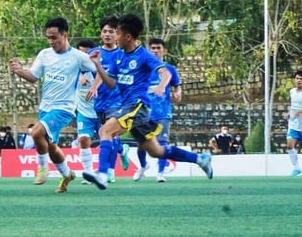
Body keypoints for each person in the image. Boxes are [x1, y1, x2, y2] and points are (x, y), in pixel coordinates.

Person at [82, 13, 212, 190]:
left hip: (138, 106)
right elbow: (111, 83)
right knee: (156, 151)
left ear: (128, 37)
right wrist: (97, 65)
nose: (115, 37)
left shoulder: (143, 55)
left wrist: (161, 86)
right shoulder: (118, 56)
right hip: (128, 106)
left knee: (105, 130)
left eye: (117, 34)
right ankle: (200, 159)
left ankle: (103, 174)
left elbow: (165, 73)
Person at [10, 16, 96, 193]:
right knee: (50, 146)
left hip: (64, 108)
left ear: (65, 35)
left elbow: (100, 71)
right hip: (46, 108)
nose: (51, 41)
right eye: (48, 37)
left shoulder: (79, 57)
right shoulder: (44, 54)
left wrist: (96, 84)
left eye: (54, 37)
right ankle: (67, 174)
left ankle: (42, 168)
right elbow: (33, 76)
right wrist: (19, 71)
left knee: (35, 132)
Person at [86, 17, 130, 183]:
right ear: (100, 34)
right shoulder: (95, 53)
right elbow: (84, 67)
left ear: (116, 34)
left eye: (111, 31)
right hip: (99, 102)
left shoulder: (121, 54)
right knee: (107, 136)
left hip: (117, 101)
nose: (107, 34)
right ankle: (122, 150)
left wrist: (95, 86)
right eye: (105, 31)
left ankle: (108, 171)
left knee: (108, 132)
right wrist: (84, 77)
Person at [133, 38, 182, 183]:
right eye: (152, 48)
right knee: (141, 144)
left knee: (162, 143)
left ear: (164, 50)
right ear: (149, 50)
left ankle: (160, 173)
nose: (155, 50)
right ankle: (142, 166)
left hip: (162, 112)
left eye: (158, 48)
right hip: (144, 111)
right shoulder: (142, 68)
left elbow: (177, 85)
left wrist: (178, 92)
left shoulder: (169, 69)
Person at [74, 39, 101, 183]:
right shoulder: (74, 68)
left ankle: (108, 170)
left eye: (86, 53)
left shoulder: (100, 68)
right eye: (81, 53)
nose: (83, 57)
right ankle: (89, 172)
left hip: (102, 111)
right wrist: (78, 75)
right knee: (84, 139)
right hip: (84, 112)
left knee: (109, 141)